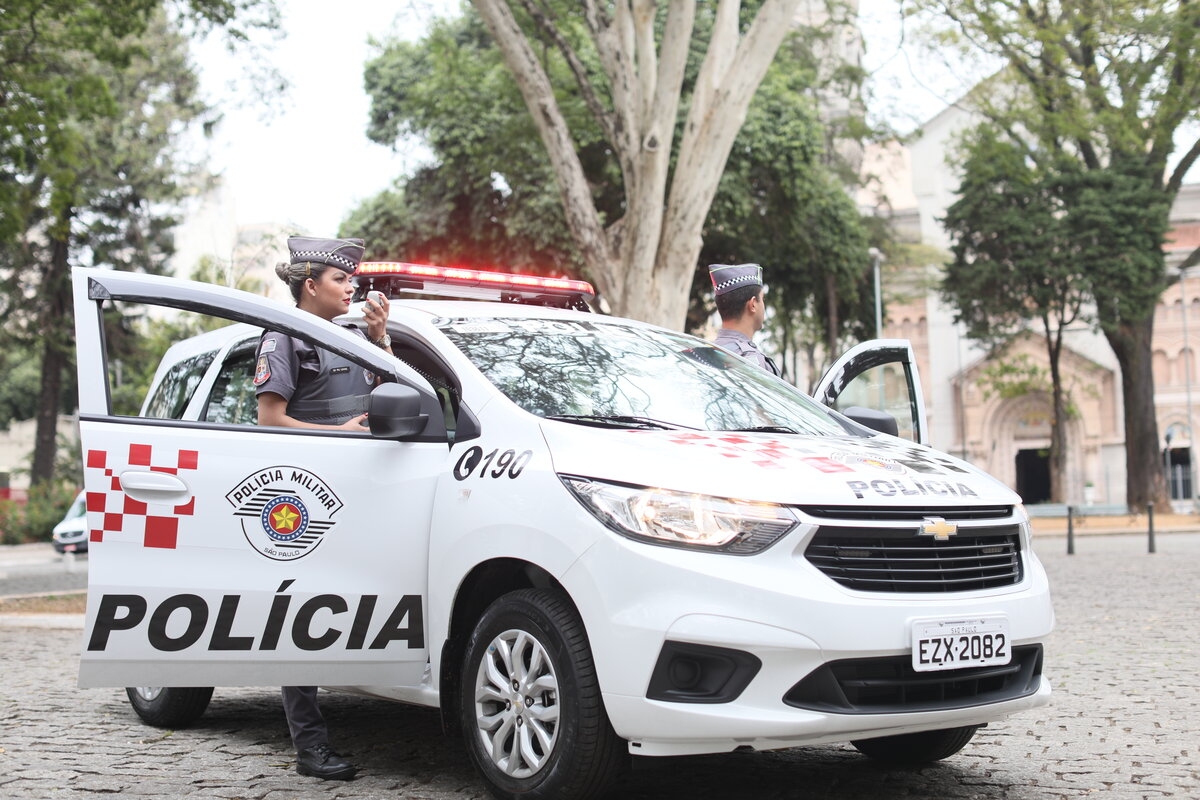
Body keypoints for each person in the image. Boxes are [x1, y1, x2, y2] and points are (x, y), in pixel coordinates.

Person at [253, 235, 393, 780]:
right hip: (304, 497)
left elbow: (398, 390)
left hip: (364, 491)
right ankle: (310, 747)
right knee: (303, 615)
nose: (352, 286)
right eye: (341, 279)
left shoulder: (358, 336)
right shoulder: (284, 338)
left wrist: (381, 339)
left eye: (351, 278)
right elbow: (271, 418)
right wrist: (338, 432)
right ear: (310, 286)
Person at [709, 263, 780, 376]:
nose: (763, 305)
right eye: (762, 299)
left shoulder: (704, 355)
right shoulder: (752, 362)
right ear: (752, 305)